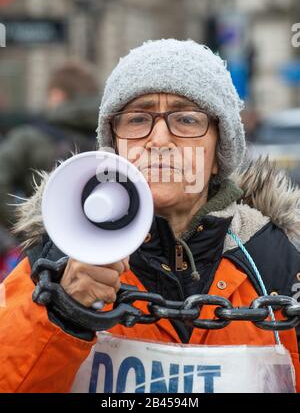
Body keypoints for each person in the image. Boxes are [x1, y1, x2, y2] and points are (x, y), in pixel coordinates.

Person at [0, 39, 300, 393]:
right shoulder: (55, 258)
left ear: (220, 151)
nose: (159, 140)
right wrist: (63, 312)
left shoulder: (278, 262)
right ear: (115, 146)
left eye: (187, 119)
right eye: (138, 118)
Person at [0, 61, 100, 275]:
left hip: (39, 259)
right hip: (101, 255)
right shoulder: (113, 135)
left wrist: (26, 230)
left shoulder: (29, 137)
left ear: (56, 95)